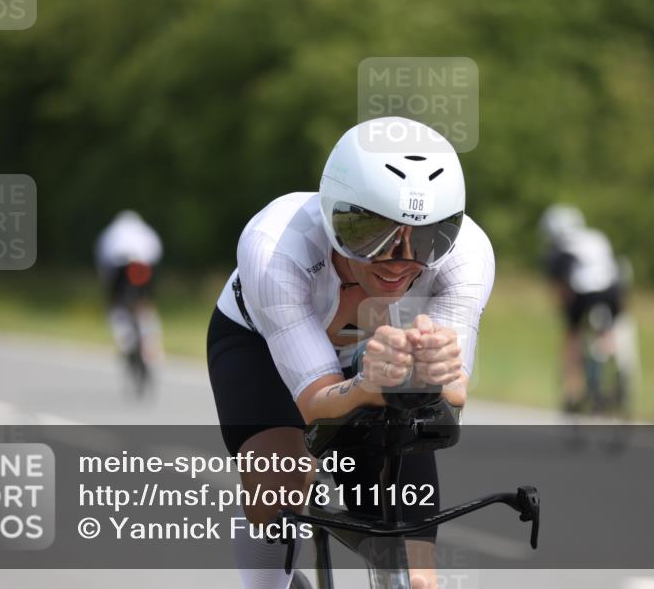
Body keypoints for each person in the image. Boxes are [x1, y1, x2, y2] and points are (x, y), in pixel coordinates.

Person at [207, 116, 494, 589]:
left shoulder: (466, 255)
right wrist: (364, 386)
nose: (399, 259)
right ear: (331, 214)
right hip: (261, 348)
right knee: (281, 486)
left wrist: (437, 375)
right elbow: (314, 402)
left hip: (385, 369)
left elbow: (453, 395)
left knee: (415, 575)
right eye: (371, 232)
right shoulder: (275, 246)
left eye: (427, 237)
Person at [540, 204, 623, 412]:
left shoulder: (560, 249)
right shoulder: (597, 237)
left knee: (572, 337)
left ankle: (571, 391)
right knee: (607, 331)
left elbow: (562, 289)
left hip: (584, 294)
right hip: (613, 292)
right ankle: (614, 363)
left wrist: (567, 315)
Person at [95, 210, 164, 394]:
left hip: (119, 268)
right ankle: (151, 343)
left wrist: (109, 291)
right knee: (144, 305)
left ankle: (125, 339)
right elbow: (156, 253)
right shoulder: (145, 231)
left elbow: (103, 264)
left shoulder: (110, 232)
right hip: (144, 266)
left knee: (116, 304)